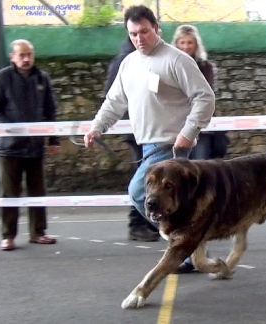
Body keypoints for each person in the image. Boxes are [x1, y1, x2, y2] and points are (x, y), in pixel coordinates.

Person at [83, 6, 215, 242]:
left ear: (156, 28)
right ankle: (188, 242)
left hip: (172, 146)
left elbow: (205, 97)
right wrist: (97, 127)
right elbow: (114, 101)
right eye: (133, 34)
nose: (138, 39)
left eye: (144, 32)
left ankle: (183, 240)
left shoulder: (177, 60)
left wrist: (188, 132)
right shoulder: (128, 64)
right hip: (147, 146)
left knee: (137, 192)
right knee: (176, 203)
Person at [0, 39, 60, 251]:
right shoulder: (1, 79)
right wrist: (10, 128)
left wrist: (54, 138)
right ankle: (8, 236)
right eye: (21, 55)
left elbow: (50, 109)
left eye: (29, 54)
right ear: (12, 57)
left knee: (38, 192)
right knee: (9, 194)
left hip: (35, 146)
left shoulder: (42, 78)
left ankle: (38, 232)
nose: (26, 59)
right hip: (8, 148)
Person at [171, 24, 227, 273]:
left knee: (201, 185)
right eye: (181, 42)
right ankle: (186, 248)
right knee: (180, 188)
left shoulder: (205, 67)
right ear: (176, 44)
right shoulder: (170, 65)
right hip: (175, 131)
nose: (185, 47)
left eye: (189, 43)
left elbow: (205, 97)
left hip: (200, 132)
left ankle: (200, 244)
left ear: (196, 44)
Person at [102, 28, 163, 242]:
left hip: (153, 129)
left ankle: (151, 222)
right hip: (139, 130)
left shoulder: (158, 57)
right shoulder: (125, 62)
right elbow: (112, 97)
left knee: (149, 179)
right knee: (143, 181)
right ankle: (138, 224)